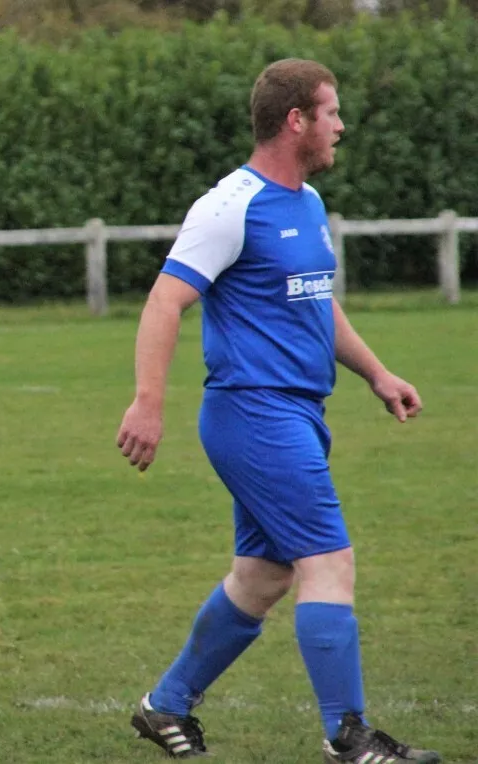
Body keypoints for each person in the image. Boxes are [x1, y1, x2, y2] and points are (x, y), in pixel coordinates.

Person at [115, 59, 440, 763]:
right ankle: (348, 735)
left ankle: (165, 705)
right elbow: (166, 299)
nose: (340, 126)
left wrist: (377, 373)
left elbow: (316, 302)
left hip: (297, 413)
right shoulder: (229, 206)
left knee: (262, 576)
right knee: (330, 562)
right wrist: (148, 402)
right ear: (297, 121)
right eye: (331, 113)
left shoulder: (309, 205)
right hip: (252, 413)